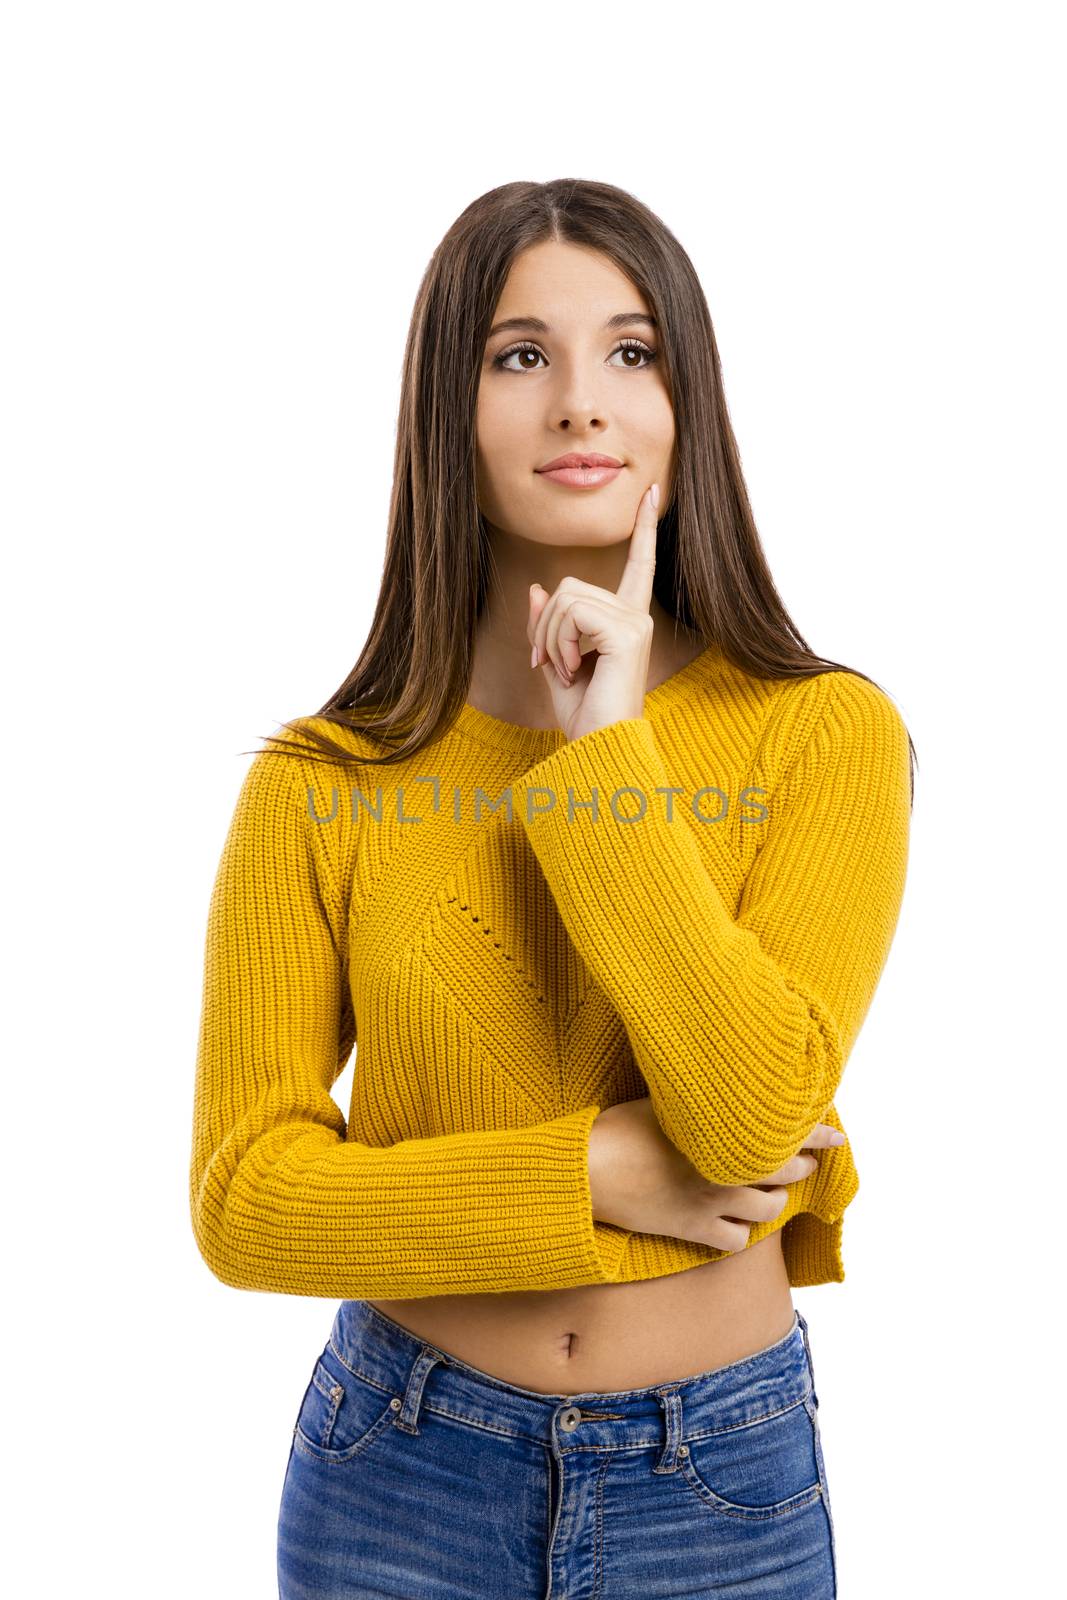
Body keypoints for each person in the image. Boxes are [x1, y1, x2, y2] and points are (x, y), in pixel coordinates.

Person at [189, 178, 915, 1598]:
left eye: (631, 354)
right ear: (447, 412)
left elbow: (752, 1114)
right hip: (396, 1472)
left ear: (686, 405)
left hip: (717, 1480)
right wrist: (587, 1174)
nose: (581, 401)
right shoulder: (318, 779)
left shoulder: (823, 733)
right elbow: (247, 1204)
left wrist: (607, 759)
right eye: (521, 356)